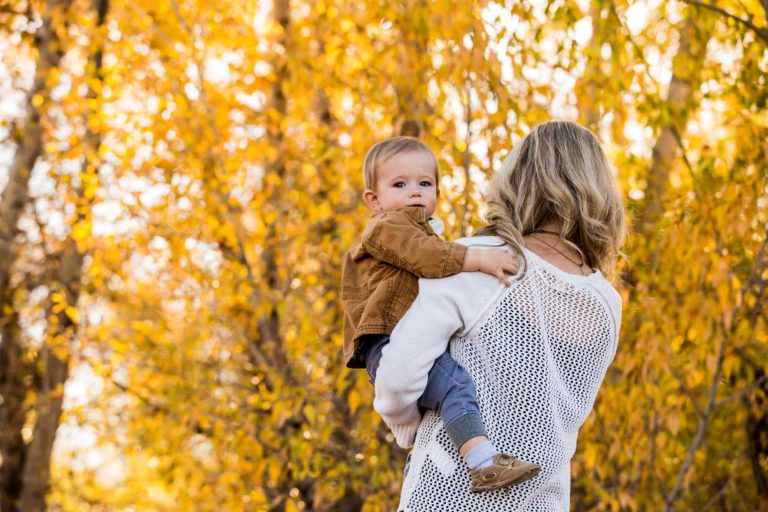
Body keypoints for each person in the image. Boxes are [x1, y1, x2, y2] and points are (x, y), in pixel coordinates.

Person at [373, 120, 626, 510]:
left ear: (520, 181)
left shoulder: (474, 261)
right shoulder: (607, 302)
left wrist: (407, 429)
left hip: (449, 497)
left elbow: (397, 378)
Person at [341, 136, 541, 493]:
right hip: (385, 341)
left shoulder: (424, 232)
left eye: (425, 183)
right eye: (400, 184)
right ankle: (483, 463)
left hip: (398, 337)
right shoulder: (386, 227)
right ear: (374, 200)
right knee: (455, 384)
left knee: (443, 405)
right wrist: (478, 259)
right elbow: (426, 257)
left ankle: (429, 463)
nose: (415, 191)